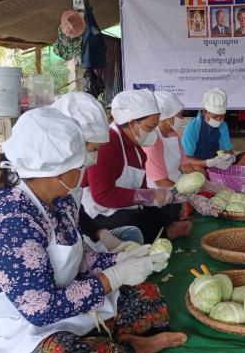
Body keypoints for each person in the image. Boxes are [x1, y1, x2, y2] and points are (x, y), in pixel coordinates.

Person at [0, 107, 186, 353]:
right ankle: (130, 349)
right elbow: (40, 309)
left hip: (59, 298)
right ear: (55, 172)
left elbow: (73, 257)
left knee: (148, 299)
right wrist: (112, 278)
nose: (86, 168)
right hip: (10, 327)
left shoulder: (60, 201)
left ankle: (111, 342)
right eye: (80, 164)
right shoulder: (9, 222)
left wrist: (121, 258)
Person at [82, 89, 192, 243]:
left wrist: (160, 197)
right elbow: (102, 195)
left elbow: (141, 187)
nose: (153, 132)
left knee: (169, 209)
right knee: (135, 220)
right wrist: (146, 196)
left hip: (127, 205)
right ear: (133, 123)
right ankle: (165, 233)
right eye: (150, 127)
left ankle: (163, 232)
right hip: (101, 211)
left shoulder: (137, 146)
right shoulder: (107, 144)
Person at [51, 92, 145, 252]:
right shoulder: (16, 215)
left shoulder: (67, 181)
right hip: (68, 266)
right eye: (94, 149)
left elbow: (74, 211)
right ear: (71, 145)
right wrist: (112, 276)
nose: (94, 159)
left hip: (80, 249)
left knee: (133, 234)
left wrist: (101, 234)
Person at [144, 90, 227, 217]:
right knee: (176, 212)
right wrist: (190, 197)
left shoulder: (173, 134)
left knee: (207, 196)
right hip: (159, 192)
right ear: (166, 116)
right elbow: (161, 182)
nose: (181, 119)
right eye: (179, 115)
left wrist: (206, 183)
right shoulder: (152, 141)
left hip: (179, 184)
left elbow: (185, 165)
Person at [181, 88, 245, 172]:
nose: (219, 120)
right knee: (199, 171)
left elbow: (228, 150)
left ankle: (226, 176)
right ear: (205, 112)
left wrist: (231, 158)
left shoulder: (223, 125)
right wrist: (208, 163)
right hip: (200, 163)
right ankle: (217, 177)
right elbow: (185, 159)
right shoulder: (193, 127)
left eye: (222, 116)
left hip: (218, 163)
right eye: (215, 116)